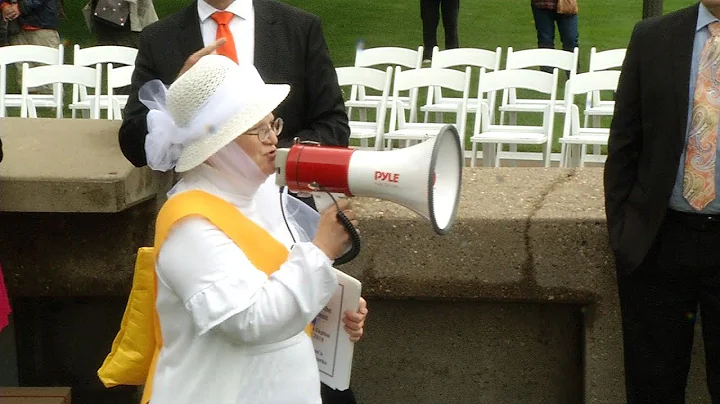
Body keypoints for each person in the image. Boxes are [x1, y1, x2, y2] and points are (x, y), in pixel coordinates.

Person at [141, 54, 367, 404]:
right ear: (216, 146)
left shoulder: (264, 194)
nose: (272, 139)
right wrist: (321, 253)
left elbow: (284, 281)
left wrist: (336, 313)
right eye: (256, 130)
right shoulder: (188, 223)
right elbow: (251, 320)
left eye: (272, 124)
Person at [604, 1, 720, 403]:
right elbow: (624, 141)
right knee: (653, 386)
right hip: (659, 243)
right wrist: (623, 231)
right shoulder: (653, 36)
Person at [118, 0, 349, 169]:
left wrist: (271, 156)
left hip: (285, 197)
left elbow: (334, 125)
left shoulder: (299, 28)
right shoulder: (159, 38)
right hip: (201, 203)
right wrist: (174, 99)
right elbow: (132, 146)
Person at [0, 0, 60, 91]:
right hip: (17, 30)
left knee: (49, 76)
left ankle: (52, 104)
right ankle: (28, 103)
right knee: (24, 78)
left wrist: (20, 7)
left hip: (42, 28)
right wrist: (4, 5)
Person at [529, 0, 578, 75]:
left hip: (566, 3)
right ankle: (546, 77)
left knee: (570, 39)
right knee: (545, 41)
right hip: (542, 4)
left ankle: (574, 76)